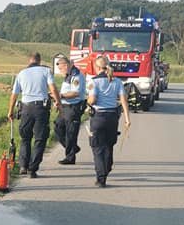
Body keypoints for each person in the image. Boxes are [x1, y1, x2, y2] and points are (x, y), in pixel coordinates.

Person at [7, 53, 60, 178]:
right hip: (41, 108)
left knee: (25, 138)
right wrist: (58, 102)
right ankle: (33, 168)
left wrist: (10, 111)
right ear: (39, 61)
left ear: (29, 61)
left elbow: (14, 95)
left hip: (25, 108)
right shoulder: (46, 71)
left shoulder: (21, 73)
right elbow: (52, 88)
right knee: (40, 139)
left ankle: (23, 166)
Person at [86, 55, 131, 187]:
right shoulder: (117, 81)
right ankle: (107, 167)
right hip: (112, 117)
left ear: (97, 67)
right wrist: (127, 119)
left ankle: (101, 177)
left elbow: (93, 100)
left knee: (98, 147)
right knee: (109, 145)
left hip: (98, 117)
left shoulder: (94, 82)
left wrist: (87, 101)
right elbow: (123, 100)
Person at [54, 54, 86, 165]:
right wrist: (58, 101)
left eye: (60, 68)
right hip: (65, 107)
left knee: (70, 132)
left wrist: (60, 96)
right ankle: (72, 147)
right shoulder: (68, 75)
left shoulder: (76, 75)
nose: (60, 70)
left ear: (66, 65)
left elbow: (75, 93)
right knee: (58, 127)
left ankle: (70, 157)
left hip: (73, 107)